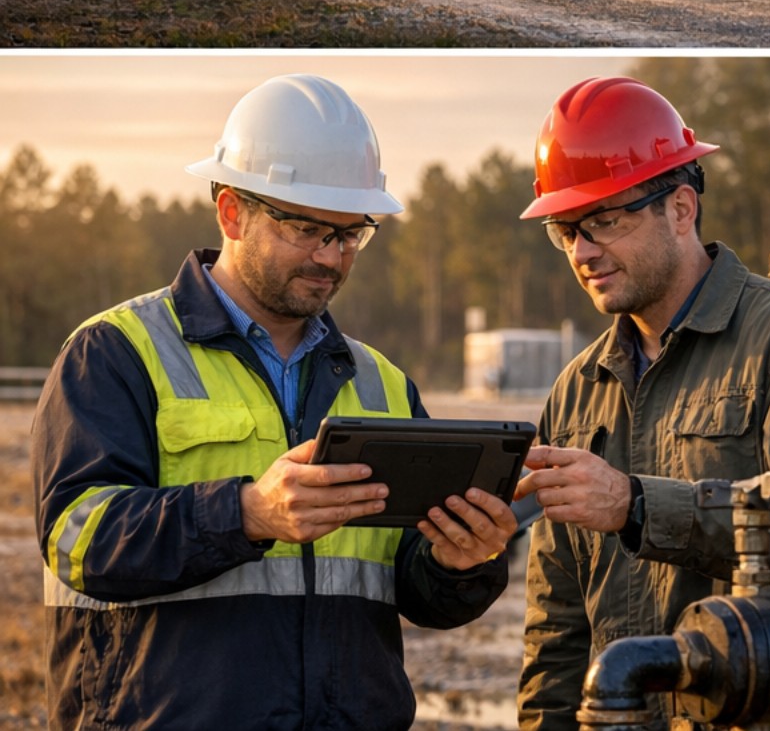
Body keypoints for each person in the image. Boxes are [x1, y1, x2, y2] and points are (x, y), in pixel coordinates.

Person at [33, 74, 515, 731]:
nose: (331, 257)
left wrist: (460, 562)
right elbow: (76, 540)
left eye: (351, 234)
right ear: (232, 212)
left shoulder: (383, 381)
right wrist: (247, 513)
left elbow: (414, 588)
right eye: (308, 228)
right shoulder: (116, 352)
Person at [514, 76, 770, 731]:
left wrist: (636, 504)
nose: (582, 251)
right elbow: (557, 616)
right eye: (566, 230)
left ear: (681, 208)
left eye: (603, 221)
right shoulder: (577, 390)